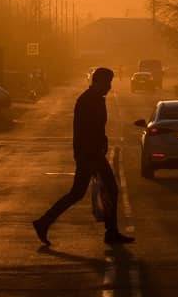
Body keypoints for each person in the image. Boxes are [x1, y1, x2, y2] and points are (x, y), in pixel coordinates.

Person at [33, 66, 135, 247]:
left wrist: (102, 142)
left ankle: (44, 222)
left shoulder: (95, 99)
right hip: (89, 155)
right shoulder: (87, 101)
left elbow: (98, 128)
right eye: (108, 82)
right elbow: (84, 131)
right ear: (97, 82)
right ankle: (44, 222)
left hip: (93, 153)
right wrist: (90, 155)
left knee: (85, 192)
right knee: (104, 190)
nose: (110, 86)